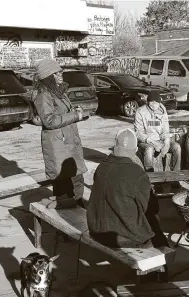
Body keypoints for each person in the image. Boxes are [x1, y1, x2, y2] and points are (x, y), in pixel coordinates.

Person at [86, 128, 169, 250]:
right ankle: (161, 262)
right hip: (123, 238)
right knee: (153, 222)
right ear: (135, 151)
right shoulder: (136, 173)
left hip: (96, 230)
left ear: (115, 147)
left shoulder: (101, 167)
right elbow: (152, 208)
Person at [33, 59, 90, 209]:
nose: (61, 74)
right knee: (65, 184)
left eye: (60, 71)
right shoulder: (43, 94)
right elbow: (49, 120)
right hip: (59, 145)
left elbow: (60, 113)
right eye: (57, 72)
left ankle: (75, 214)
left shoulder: (58, 91)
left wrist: (75, 112)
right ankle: (67, 223)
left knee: (76, 180)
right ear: (48, 76)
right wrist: (75, 116)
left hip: (67, 142)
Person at [134, 91, 181, 172]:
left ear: (159, 103)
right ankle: (150, 176)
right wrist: (152, 142)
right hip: (146, 141)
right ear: (148, 102)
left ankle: (175, 174)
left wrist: (166, 142)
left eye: (156, 102)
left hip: (160, 141)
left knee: (176, 147)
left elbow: (165, 129)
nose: (153, 104)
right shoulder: (140, 112)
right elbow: (138, 133)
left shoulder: (163, 112)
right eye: (151, 102)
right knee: (149, 149)